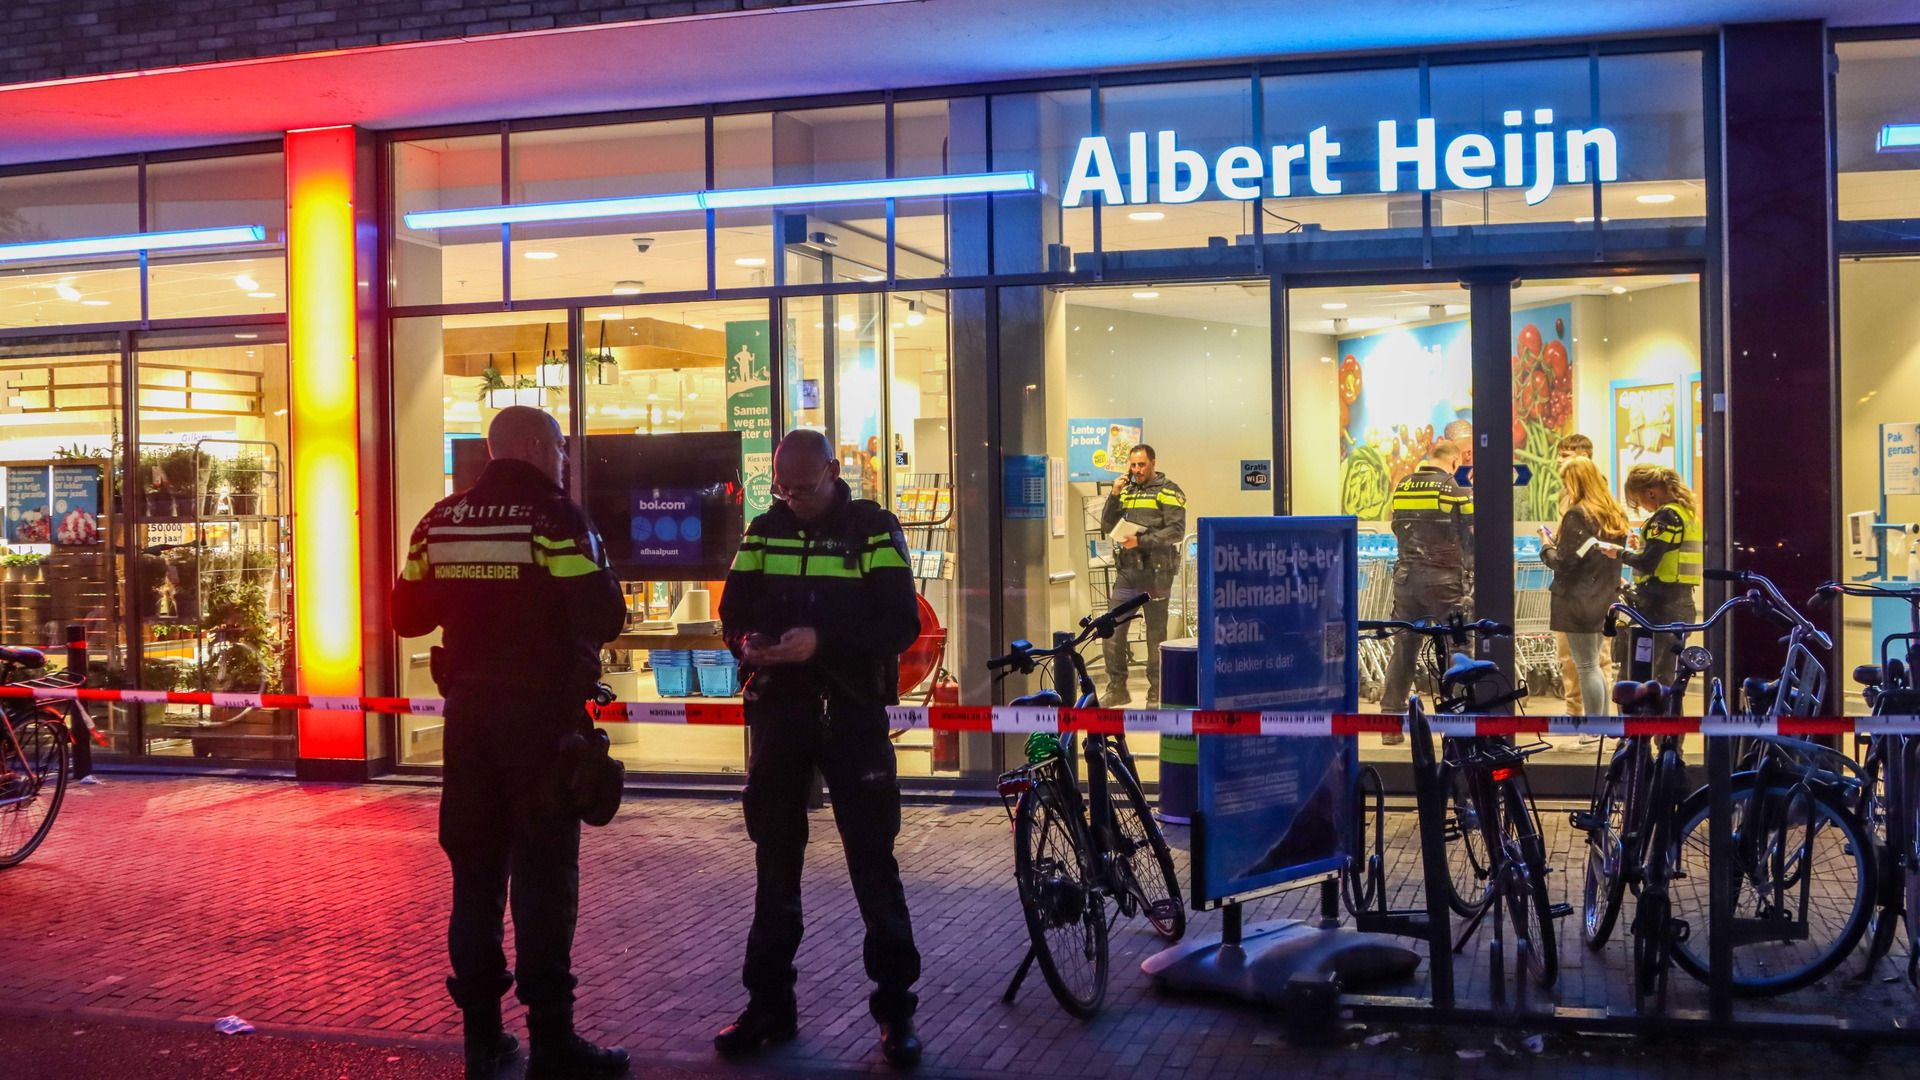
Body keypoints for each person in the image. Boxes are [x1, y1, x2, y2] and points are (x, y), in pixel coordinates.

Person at [391, 406, 630, 1080]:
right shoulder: (556, 520)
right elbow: (603, 613)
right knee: (544, 879)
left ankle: (481, 1038)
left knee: (474, 874)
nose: (563, 459)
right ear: (530, 446)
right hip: (542, 724)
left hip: (468, 722)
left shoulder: (439, 520)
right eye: (558, 446)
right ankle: (553, 1042)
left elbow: (405, 616)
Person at [714, 428, 925, 1070]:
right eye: (784, 488)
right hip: (782, 713)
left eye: (804, 488)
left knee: (872, 863)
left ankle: (895, 1014)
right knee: (774, 863)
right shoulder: (762, 529)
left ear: (833, 471)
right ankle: (768, 1006)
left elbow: (901, 622)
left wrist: (822, 641)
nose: (794, 500)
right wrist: (748, 641)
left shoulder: (872, 529)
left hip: (853, 715)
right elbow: (733, 609)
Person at [1380, 440, 1474, 738]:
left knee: (1405, 648)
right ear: (1455, 462)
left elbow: (1397, 527)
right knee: (1456, 647)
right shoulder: (1453, 489)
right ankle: (1455, 723)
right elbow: (1469, 533)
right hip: (1444, 581)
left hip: (1407, 580)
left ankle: (1390, 724)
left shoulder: (1403, 487)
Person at [1539, 456, 1629, 717]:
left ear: (1576, 481)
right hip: (1605, 596)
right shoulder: (1614, 514)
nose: (1566, 488)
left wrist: (1546, 545)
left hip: (1579, 599)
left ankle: (1592, 729)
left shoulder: (1577, 514)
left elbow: (1565, 563)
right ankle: (1601, 727)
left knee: (1587, 665)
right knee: (1596, 665)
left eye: (1567, 482)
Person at [1098, 444, 1187, 707]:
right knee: (1110, 628)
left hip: (1157, 572)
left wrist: (1141, 541)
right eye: (1133, 465)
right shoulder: (1126, 490)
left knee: (1155, 634)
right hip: (1128, 572)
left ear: (1153, 463)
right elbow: (1106, 525)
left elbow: (1176, 532)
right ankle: (1117, 688)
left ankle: (1156, 691)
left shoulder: (1169, 490)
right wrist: (1114, 495)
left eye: (1142, 465)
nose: (1137, 470)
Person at [1620, 464, 1702, 686]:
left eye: (1639, 500)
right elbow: (1668, 554)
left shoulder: (1665, 515)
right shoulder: (1687, 514)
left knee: (1643, 679)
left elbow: (1648, 563)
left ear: (1650, 492)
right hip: (1682, 603)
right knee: (1669, 679)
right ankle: (1671, 719)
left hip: (1659, 606)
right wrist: (1642, 548)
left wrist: (1619, 553)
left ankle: (1645, 721)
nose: (1642, 507)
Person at [1550, 434, 1615, 713]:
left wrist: (1548, 549)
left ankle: (1585, 718)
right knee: (1580, 660)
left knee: (1590, 661)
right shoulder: (1602, 503)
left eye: (1565, 455)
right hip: (1601, 591)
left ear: (1583, 456)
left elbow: (1569, 557)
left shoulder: (1584, 503)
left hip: (1581, 593)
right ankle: (1589, 716)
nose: (1559, 461)